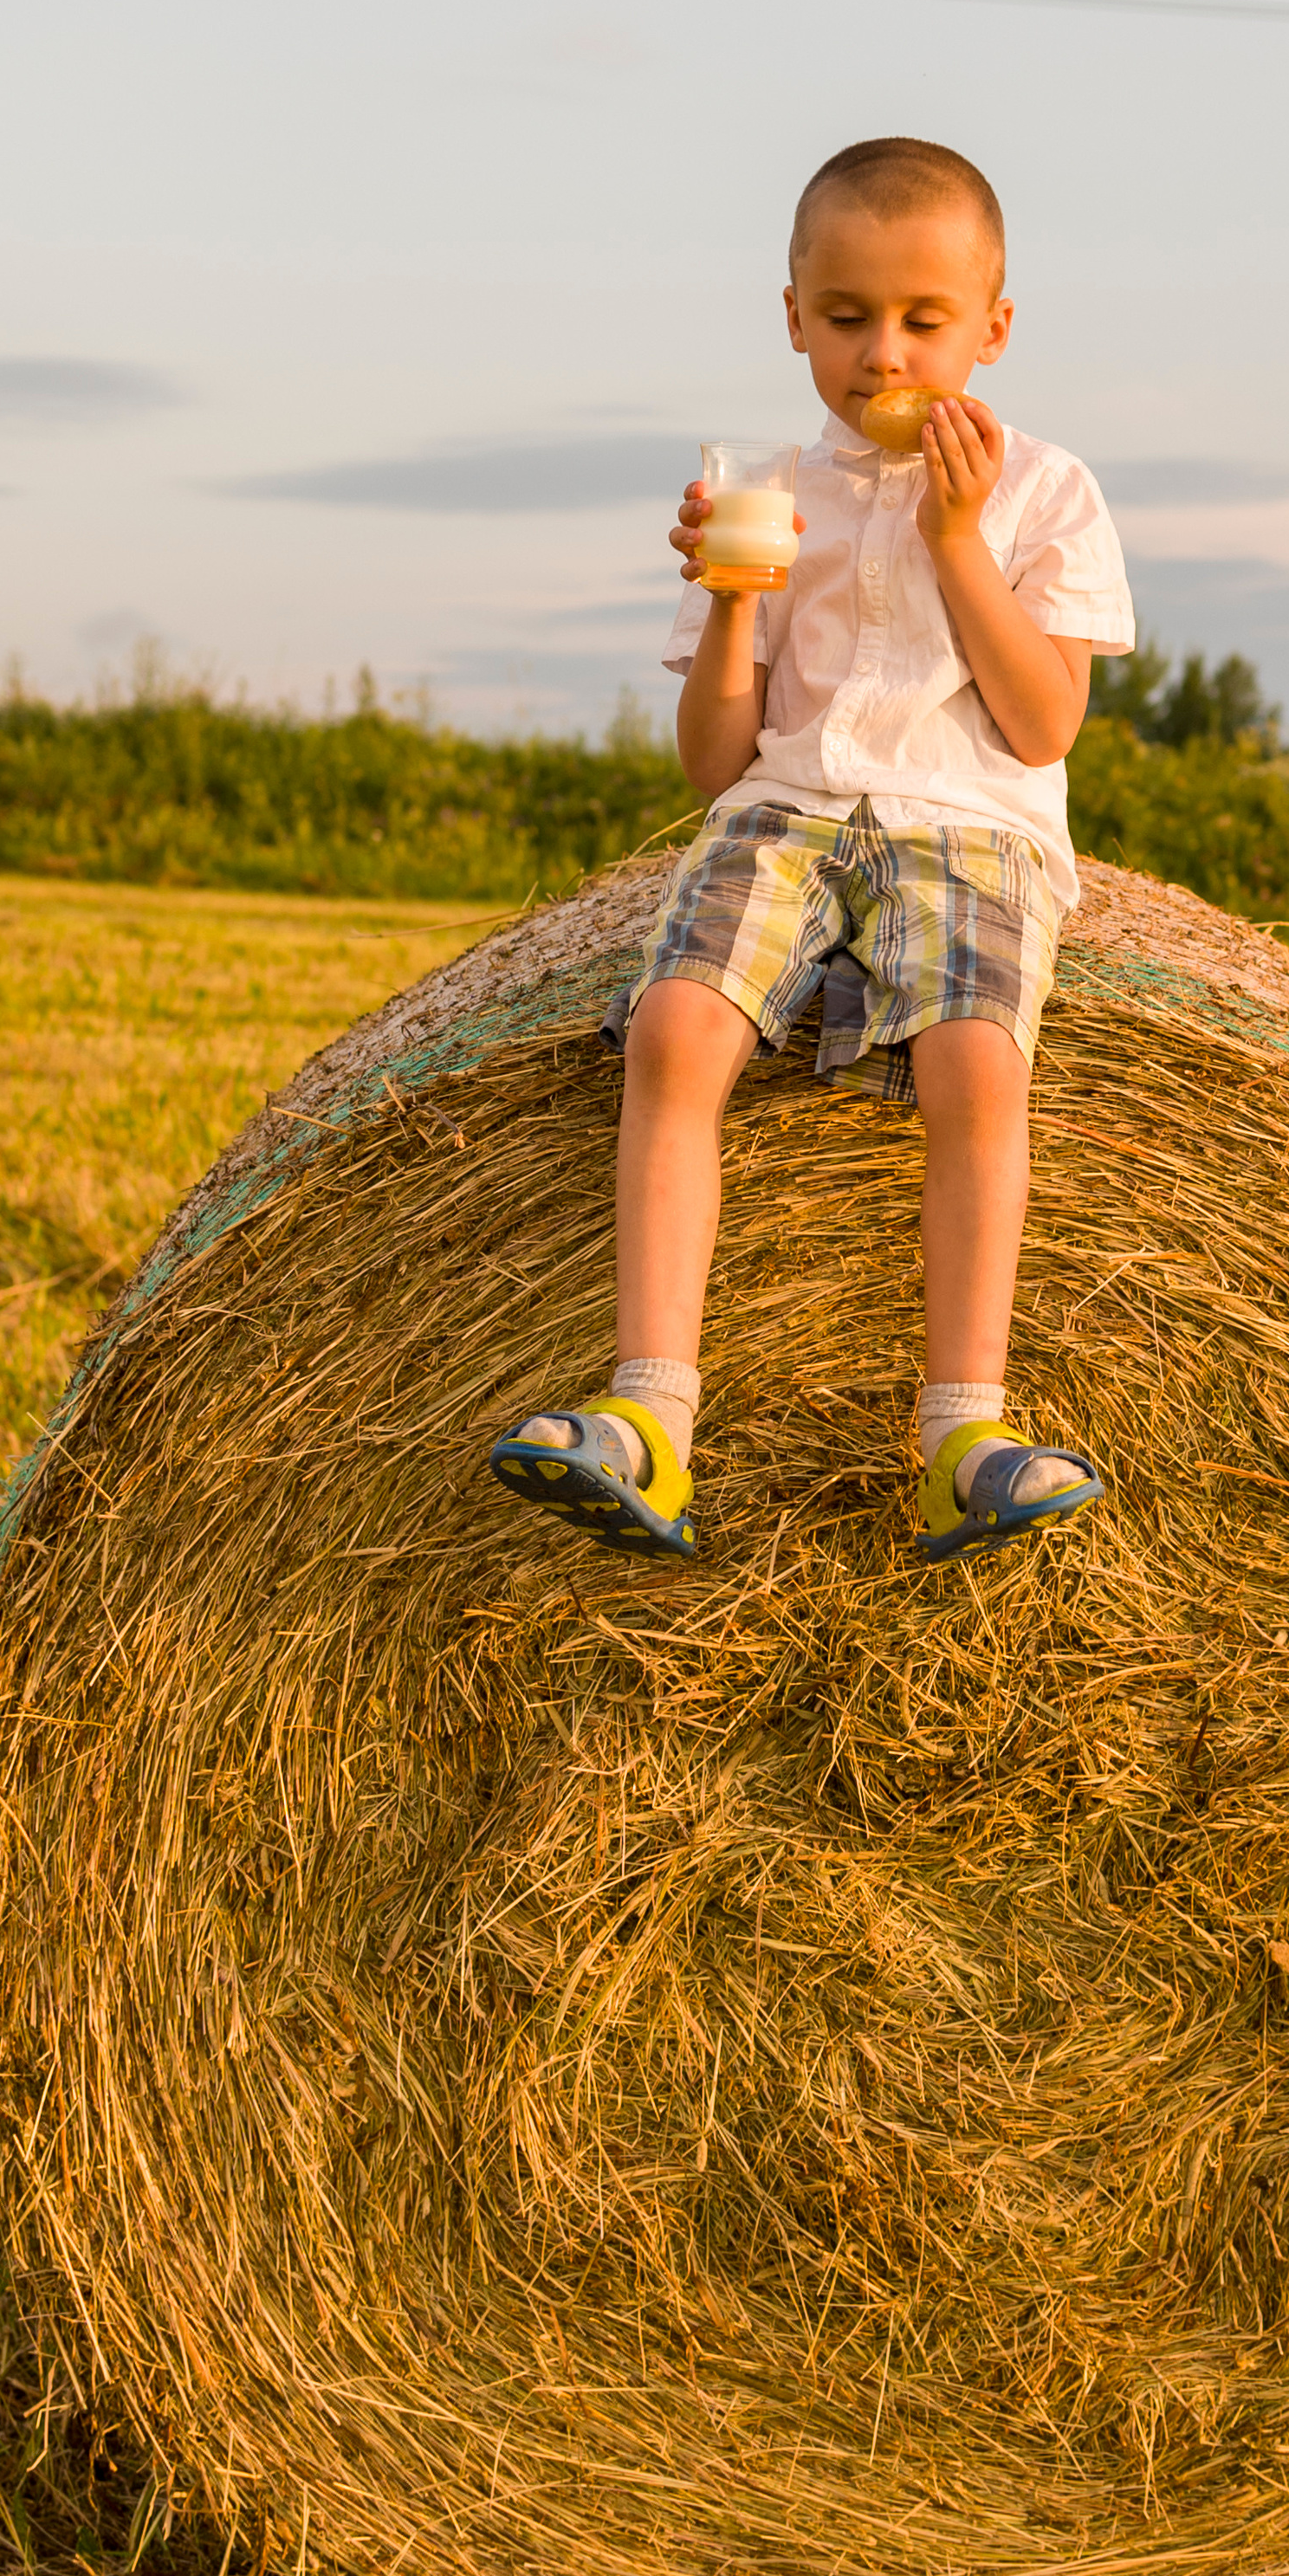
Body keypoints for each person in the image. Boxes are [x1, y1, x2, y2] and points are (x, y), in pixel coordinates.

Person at [489, 135, 1135, 1563]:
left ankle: (963, 1430)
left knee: (977, 1063)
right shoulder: (769, 486)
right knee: (672, 1032)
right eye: (845, 319)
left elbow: (1041, 725)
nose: (882, 354)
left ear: (993, 329)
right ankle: (650, 1415)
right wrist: (731, 599)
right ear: (793, 317)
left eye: (922, 322)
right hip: (786, 810)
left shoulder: (1046, 491)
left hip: (971, 827)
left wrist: (958, 537)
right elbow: (715, 760)